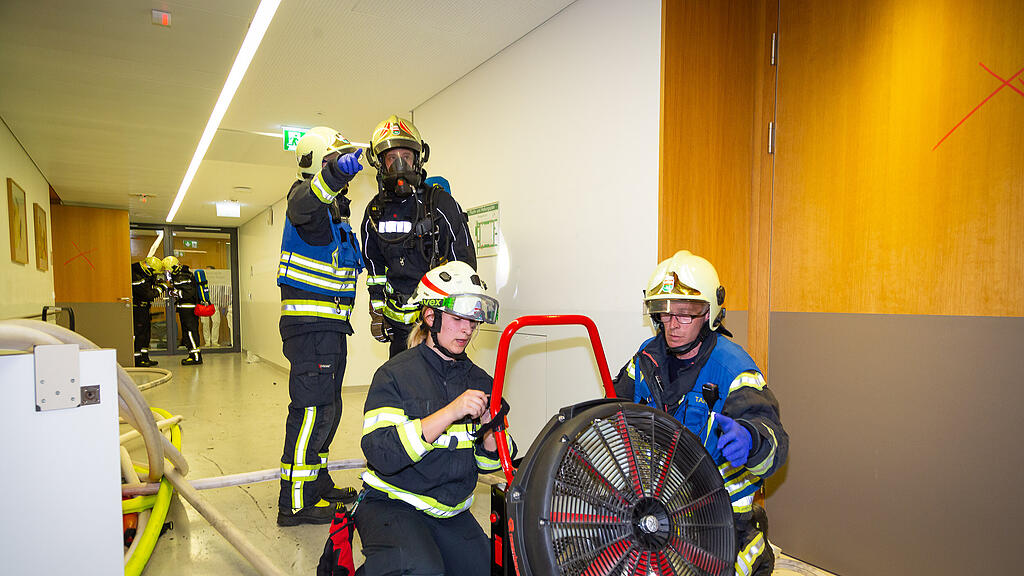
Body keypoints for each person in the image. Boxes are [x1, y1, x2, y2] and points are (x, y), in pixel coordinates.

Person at [612, 250, 788, 576]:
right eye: (664, 313)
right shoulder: (645, 360)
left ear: (710, 313)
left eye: (685, 313)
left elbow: (773, 439)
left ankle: (755, 547)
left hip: (720, 512)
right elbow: (613, 406)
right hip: (658, 500)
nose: (672, 324)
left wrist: (752, 439)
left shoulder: (733, 368)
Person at [355, 261, 511, 575]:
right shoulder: (394, 374)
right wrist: (451, 412)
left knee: (492, 569)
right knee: (421, 570)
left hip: (448, 512)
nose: (467, 330)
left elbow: (488, 467)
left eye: (473, 321)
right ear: (431, 317)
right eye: (458, 319)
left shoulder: (480, 380)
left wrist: (491, 435)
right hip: (393, 504)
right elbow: (381, 452)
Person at [276, 126, 364, 526]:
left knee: (328, 409)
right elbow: (305, 203)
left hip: (330, 330)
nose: (341, 169)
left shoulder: (332, 215)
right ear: (317, 161)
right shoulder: (303, 199)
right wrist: (333, 176)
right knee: (311, 412)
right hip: (311, 329)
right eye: (334, 159)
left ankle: (317, 482)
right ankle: (294, 503)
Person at [361, 115, 476, 358]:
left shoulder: (440, 204)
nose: (399, 165)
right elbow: (375, 271)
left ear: (418, 159)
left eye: (406, 157)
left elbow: (464, 265)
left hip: (436, 328)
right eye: (392, 158)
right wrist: (377, 311)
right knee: (400, 387)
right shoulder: (374, 213)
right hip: (398, 330)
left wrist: (456, 321)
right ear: (380, 163)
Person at [162, 255, 209, 365]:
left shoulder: (182, 276)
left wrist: (174, 292)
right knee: (188, 333)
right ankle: (192, 355)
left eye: (167, 269)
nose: (167, 272)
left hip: (188, 309)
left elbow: (188, 293)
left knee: (190, 333)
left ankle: (196, 357)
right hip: (186, 309)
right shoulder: (182, 275)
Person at [131, 256, 164, 367]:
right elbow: (147, 295)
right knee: (139, 334)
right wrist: (162, 287)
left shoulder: (143, 275)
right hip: (137, 309)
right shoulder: (136, 276)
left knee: (146, 335)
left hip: (144, 309)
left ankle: (145, 358)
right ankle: (137, 360)